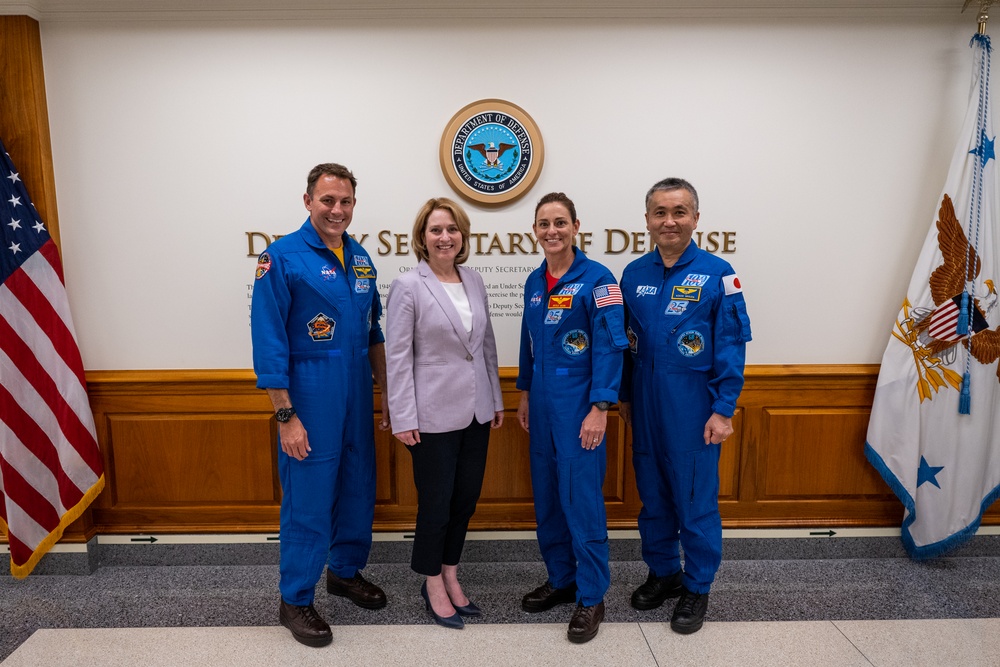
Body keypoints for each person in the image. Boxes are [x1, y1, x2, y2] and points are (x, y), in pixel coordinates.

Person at [251, 163, 389, 648]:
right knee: (308, 497)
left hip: (356, 389)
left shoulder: (362, 259)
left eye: (346, 201)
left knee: (357, 484)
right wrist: (286, 416)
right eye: (328, 200)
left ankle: (344, 572)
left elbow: (374, 331)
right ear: (308, 201)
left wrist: (386, 391)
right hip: (309, 390)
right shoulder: (281, 258)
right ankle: (295, 598)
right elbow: (268, 340)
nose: (337, 210)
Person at [619, 177, 752, 635]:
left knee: (695, 501)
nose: (669, 221)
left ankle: (697, 585)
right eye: (660, 212)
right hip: (645, 405)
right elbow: (623, 345)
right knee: (653, 498)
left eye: (679, 212)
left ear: (696, 218)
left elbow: (733, 344)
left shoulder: (719, 274)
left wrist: (724, 408)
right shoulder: (633, 275)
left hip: (694, 408)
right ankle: (664, 573)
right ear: (648, 221)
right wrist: (623, 399)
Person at [385, 198, 504, 630]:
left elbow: (485, 345)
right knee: (435, 503)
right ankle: (431, 581)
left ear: (463, 236)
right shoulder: (408, 286)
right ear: (422, 237)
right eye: (436, 230)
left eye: (452, 229)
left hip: (477, 412)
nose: (444, 237)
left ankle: (451, 573)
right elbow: (398, 357)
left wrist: (495, 399)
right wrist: (402, 416)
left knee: (465, 499)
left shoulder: (473, 280)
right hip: (430, 416)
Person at [516, 192, 629, 644]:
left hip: (580, 403)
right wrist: (524, 394)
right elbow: (528, 342)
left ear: (576, 226)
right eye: (543, 224)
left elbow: (611, 345)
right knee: (547, 497)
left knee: (581, 500)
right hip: (542, 403)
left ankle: (592, 594)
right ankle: (562, 579)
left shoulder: (598, 279)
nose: (552, 231)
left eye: (560, 222)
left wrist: (600, 407)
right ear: (535, 231)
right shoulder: (532, 281)